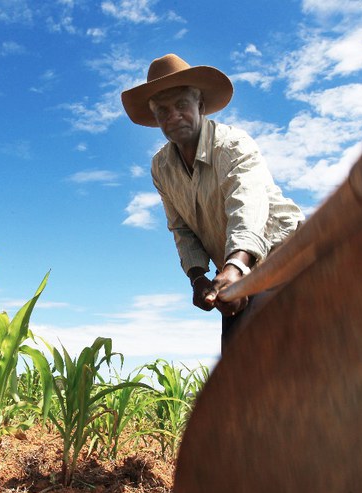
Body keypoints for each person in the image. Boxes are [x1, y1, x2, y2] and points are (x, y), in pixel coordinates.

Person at [121, 54, 304, 347]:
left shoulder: (232, 145)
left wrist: (237, 269)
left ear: (200, 106)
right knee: (240, 366)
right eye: (163, 111)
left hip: (285, 256)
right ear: (156, 121)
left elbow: (247, 208)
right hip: (235, 269)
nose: (173, 116)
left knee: (296, 358)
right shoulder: (161, 167)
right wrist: (198, 279)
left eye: (182, 105)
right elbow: (180, 228)